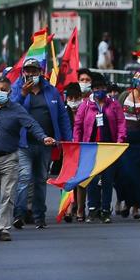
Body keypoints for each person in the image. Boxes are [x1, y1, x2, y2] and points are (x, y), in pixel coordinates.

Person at [0, 76, 55, 242]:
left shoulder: (17, 109)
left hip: (9, 159)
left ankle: (4, 228)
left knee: (8, 195)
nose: (0, 93)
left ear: (10, 92)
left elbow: (31, 125)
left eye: (3, 90)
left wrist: (43, 137)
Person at [10, 58, 72, 230]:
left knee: (39, 180)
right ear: (23, 72)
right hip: (24, 143)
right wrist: (23, 94)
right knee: (24, 178)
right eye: (27, 71)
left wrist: (68, 142)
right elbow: (11, 110)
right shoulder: (17, 88)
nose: (30, 74)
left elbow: (62, 117)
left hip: (46, 143)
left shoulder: (51, 91)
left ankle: (39, 216)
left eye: (34, 71)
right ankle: (19, 214)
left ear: (40, 72)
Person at [73, 75, 126, 223]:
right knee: (92, 179)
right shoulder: (85, 105)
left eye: (102, 88)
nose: (99, 91)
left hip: (109, 148)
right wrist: (77, 143)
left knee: (108, 179)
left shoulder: (114, 104)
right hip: (90, 148)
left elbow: (121, 123)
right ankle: (92, 209)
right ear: (92, 90)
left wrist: (120, 140)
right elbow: (78, 125)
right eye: (96, 89)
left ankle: (105, 210)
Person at [116, 71, 140, 220]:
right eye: (136, 76)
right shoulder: (124, 96)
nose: (137, 79)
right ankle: (126, 202)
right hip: (125, 142)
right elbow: (117, 116)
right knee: (124, 174)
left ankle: (136, 208)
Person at [62, 82, 86, 222]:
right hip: (67, 149)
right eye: (69, 98)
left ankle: (80, 210)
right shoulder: (63, 110)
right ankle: (68, 207)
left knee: (81, 180)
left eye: (75, 98)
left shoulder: (86, 109)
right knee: (67, 179)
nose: (72, 101)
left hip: (83, 147)